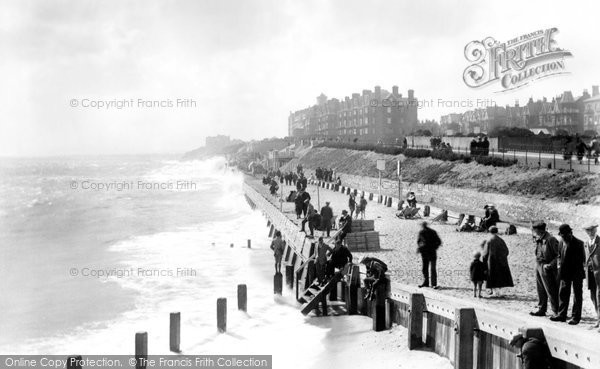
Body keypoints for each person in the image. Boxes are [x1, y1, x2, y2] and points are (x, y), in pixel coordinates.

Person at [551, 224, 585, 325]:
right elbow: (559, 256)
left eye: (565, 235)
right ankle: (562, 315)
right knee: (563, 293)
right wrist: (559, 266)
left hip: (576, 273)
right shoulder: (561, 242)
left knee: (577, 295)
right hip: (564, 273)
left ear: (570, 233)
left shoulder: (579, 243)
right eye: (562, 235)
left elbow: (582, 260)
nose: (563, 237)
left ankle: (576, 317)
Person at [530, 221, 560, 317]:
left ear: (539, 230)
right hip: (539, 265)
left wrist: (550, 265)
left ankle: (556, 311)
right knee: (541, 289)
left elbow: (559, 255)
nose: (533, 232)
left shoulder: (551, 239)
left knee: (550, 290)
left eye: (534, 230)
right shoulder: (540, 239)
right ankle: (541, 309)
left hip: (547, 267)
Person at [481, 226, 514, 296]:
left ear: (489, 232)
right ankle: (500, 292)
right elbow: (507, 251)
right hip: (502, 262)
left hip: (492, 262)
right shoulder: (501, 240)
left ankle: (495, 292)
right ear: (497, 231)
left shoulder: (489, 240)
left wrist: (484, 262)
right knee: (501, 276)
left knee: (493, 276)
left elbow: (485, 254)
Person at [584, 223, 600, 329]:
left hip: (599, 274)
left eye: (592, 230)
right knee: (593, 296)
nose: (590, 233)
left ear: (595, 231)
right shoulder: (586, 243)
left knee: (599, 297)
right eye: (588, 231)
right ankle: (599, 319)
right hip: (590, 274)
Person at [417, 221, 442, 289]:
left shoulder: (421, 233)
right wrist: (434, 247)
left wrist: (420, 248)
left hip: (425, 253)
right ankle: (433, 284)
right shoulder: (433, 232)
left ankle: (427, 282)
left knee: (425, 268)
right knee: (432, 269)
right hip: (432, 252)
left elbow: (419, 242)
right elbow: (439, 242)